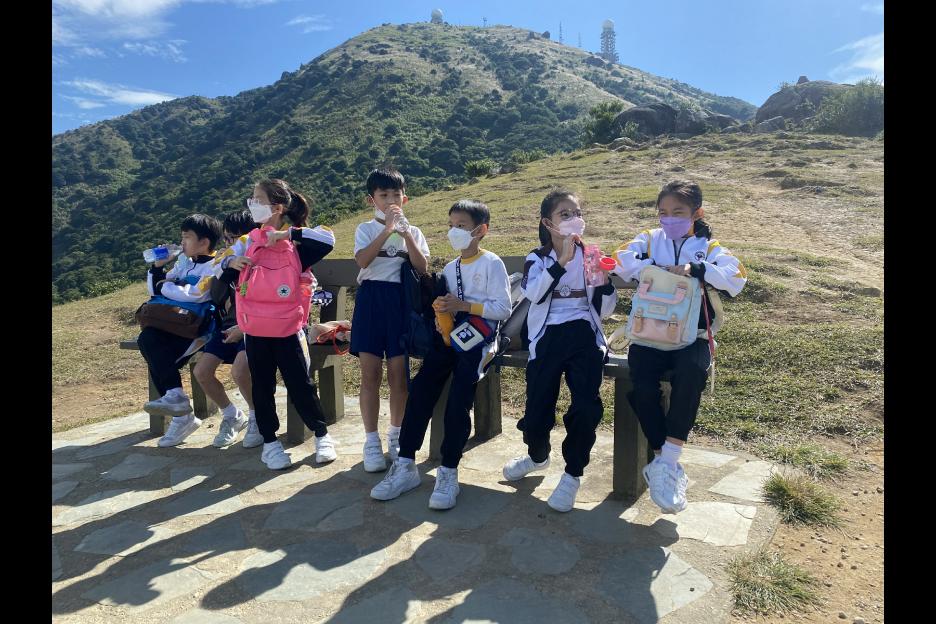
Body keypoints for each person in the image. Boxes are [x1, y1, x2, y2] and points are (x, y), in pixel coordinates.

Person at [612, 180, 747, 513]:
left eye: (678, 212)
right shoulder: (649, 239)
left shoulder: (708, 247)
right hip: (648, 334)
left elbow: (737, 277)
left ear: (696, 213)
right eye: (663, 212)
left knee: (692, 373)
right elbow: (619, 260)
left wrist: (697, 269)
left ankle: (666, 462)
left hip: (691, 336)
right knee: (641, 384)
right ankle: (667, 463)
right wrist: (652, 268)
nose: (669, 219)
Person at [371, 199, 511, 509]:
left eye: (461, 226)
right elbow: (448, 307)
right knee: (420, 391)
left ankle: (449, 470)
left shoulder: (492, 263)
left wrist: (464, 306)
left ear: (481, 230)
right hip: (450, 338)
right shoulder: (451, 268)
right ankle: (406, 464)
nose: (454, 231)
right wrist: (441, 315)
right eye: (451, 225)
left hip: (479, 341)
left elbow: (503, 308)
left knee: (459, 400)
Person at [501, 190, 617, 512]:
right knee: (537, 408)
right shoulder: (537, 258)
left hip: (584, 335)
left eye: (576, 213)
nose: (573, 219)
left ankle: (572, 474)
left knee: (585, 406)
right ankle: (537, 456)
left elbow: (606, 310)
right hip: (547, 337)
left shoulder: (591, 256)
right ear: (548, 223)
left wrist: (605, 282)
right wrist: (562, 260)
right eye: (564, 214)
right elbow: (534, 294)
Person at [215, 179, 337, 470]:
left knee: (301, 384)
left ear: (278, 207)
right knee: (262, 386)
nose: (251, 204)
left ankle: (321, 435)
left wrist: (287, 234)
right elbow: (218, 264)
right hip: (255, 328)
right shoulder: (248, 240)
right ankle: (270, 444)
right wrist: (229, 264)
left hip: (288, 328)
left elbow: (328, 240)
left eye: (257, 199)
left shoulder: (298, 243)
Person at [352, 167, 430, 472]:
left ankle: (396, 436)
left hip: (400, 303)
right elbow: (363, 261)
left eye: (396, 195)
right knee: (370, 374)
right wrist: (386, 230)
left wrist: (406, 233)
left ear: (405, 198)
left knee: (399, 375)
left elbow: (422, 268)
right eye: (383, 195)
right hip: (371, 302)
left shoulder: (414, 232)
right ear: (371, 200)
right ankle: (371, 441)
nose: (390, 201)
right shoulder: (365, 229)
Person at [139, 214, 224, 448]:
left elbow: (197, 294)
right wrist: (158, 268)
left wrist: (166, 286)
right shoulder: (184, 262)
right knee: (147, 340)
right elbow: (154, 290)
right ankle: (178, 404)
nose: (182, 242)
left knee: (157, 354)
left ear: (204, 242)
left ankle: (182, 415)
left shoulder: (214, 265)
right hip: (174, 324)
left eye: (186, 237)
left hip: (197, 328)